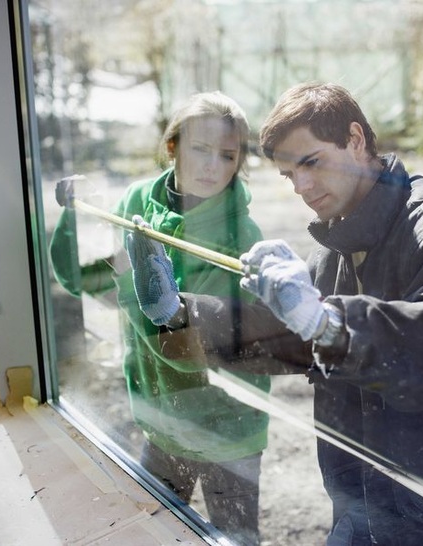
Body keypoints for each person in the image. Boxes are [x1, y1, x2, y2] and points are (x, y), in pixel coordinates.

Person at [127, 82, 423, 545]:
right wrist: (179, 313)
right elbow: (282, 337)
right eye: (288, 175)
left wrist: (331, 325)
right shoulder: (337, 248)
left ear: (355, 139)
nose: (301, 187)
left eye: (311, 162)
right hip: (359, 512)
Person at [50, 91, 270, 546]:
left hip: (228, 432)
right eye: (200, 149)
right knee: (149, 535)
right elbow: (80, 280)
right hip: (161, 420)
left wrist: (132, 281)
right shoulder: (137, 201)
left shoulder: (240, 237)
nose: (213, 166)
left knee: (235, 539)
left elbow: (187, 354)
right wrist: (74, 217)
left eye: (227, 156)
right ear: (172, 147)